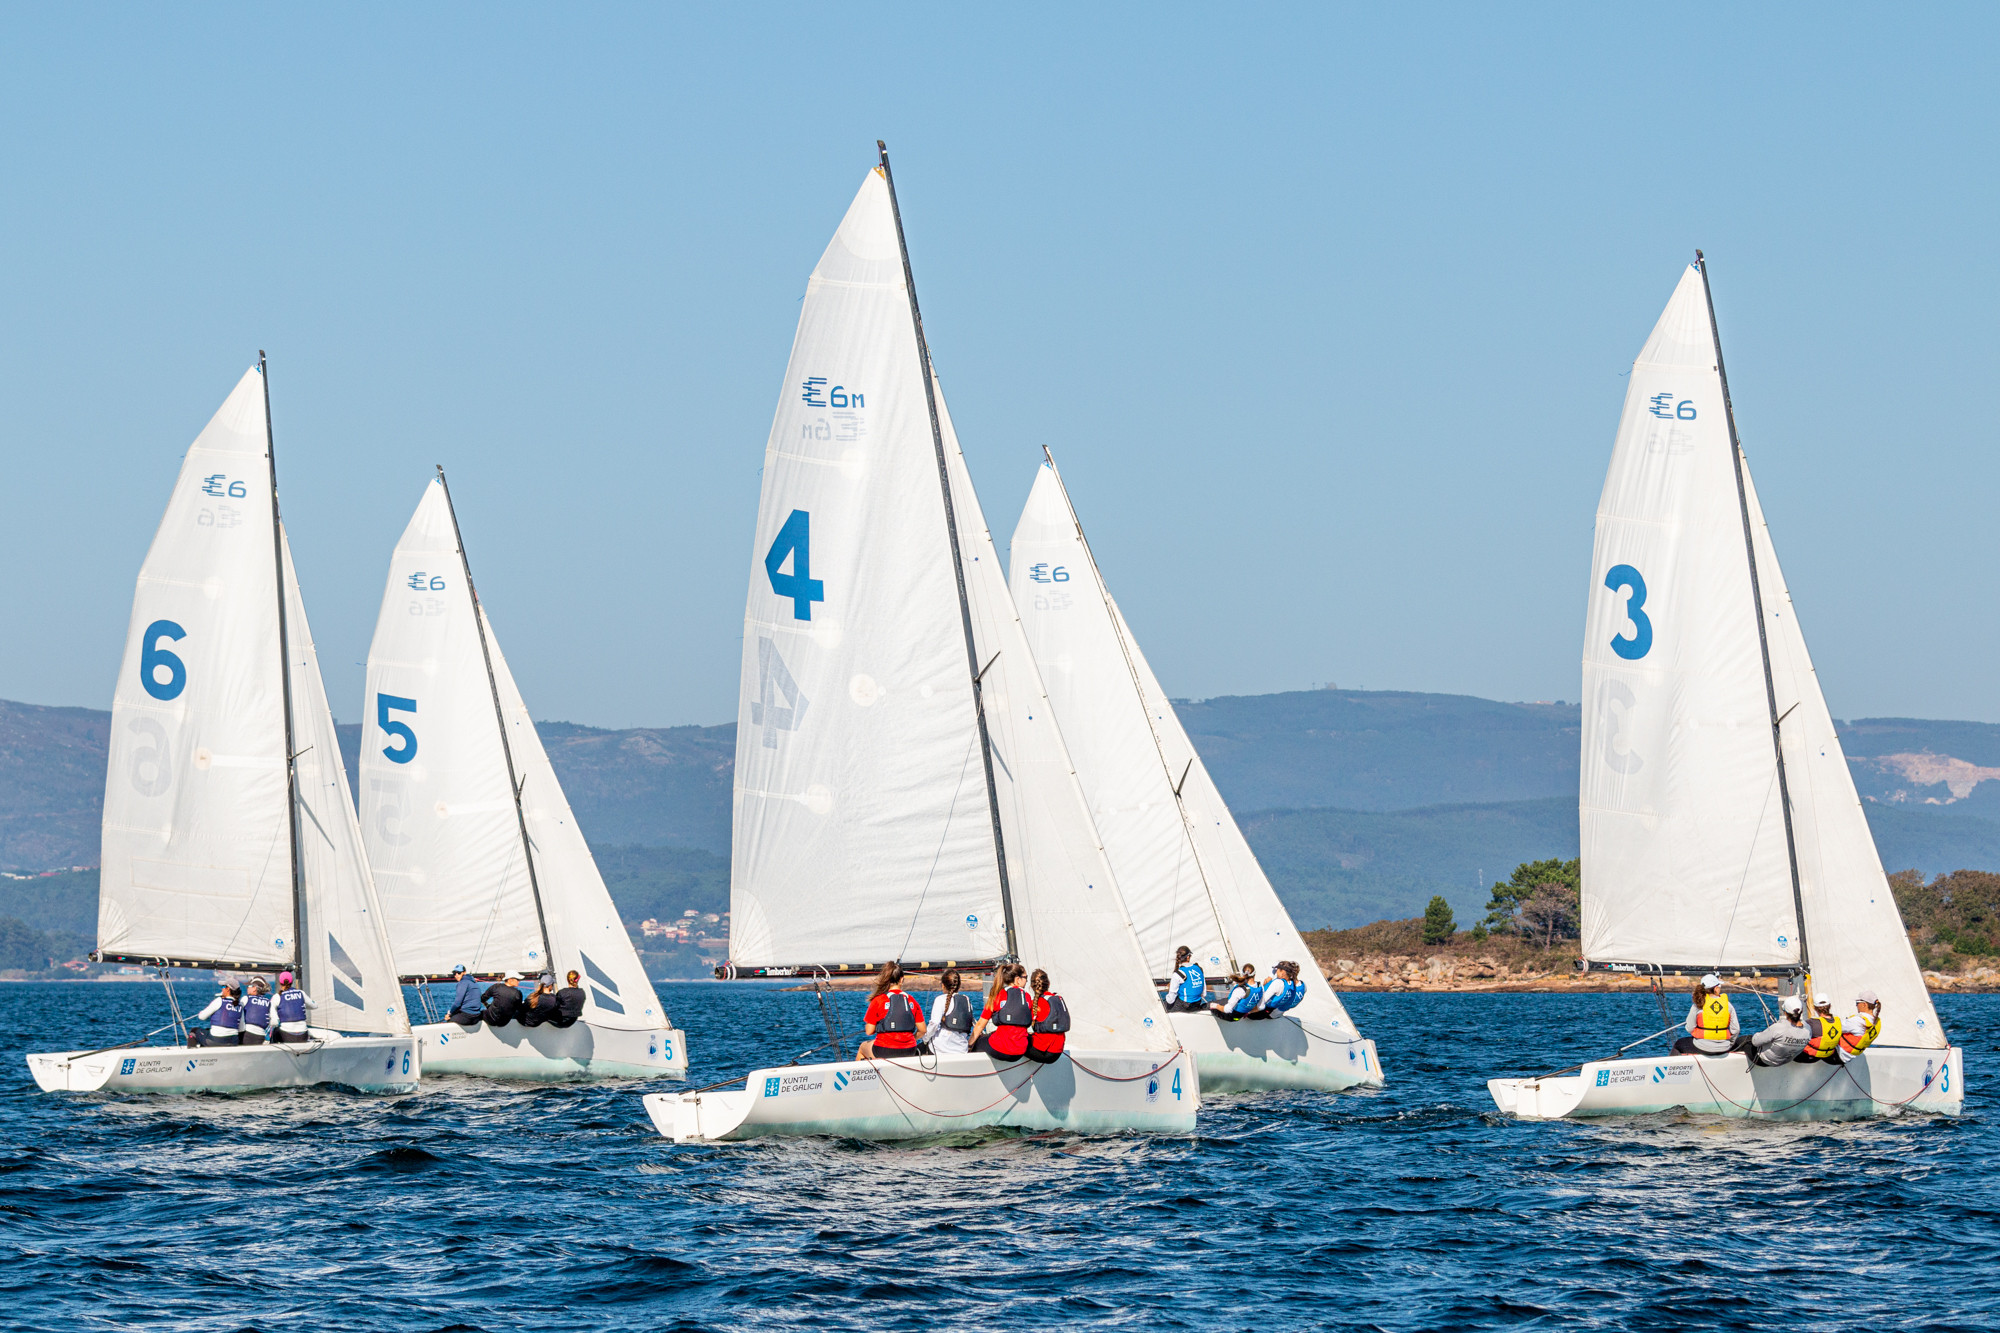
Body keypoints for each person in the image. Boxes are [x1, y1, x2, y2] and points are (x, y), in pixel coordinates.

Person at [1672, 973, 1750, 1056]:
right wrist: (1729, 1044)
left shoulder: (1698, 1004)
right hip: (1724, 1047)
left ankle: (1671, 1068)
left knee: (1679, 1044)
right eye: (1719, 986)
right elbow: (1736, 1030)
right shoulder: (1728, 1005)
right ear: (1716, 989)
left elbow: (1689, 1028)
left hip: (1702, 1046)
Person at [858, 963, 924, 1059]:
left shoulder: (878, 1000)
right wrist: (909, 1039)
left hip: (884, 1050)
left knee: (862, 1048)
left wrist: (881, 1026)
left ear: (886, 979)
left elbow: (869, 1031)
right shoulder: (912, 1000)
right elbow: (922, 1030)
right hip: (910, 1050)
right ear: (902, 979)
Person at [970, 963, 1033, 1062]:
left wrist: (969, 1046)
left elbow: (980, 1025)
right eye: (1025, 977)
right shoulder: (1027, 997)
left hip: (1001, 1049)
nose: (1027, 980)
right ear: (1017, 979)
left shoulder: (998, 995)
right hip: (1020, 1051)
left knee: (978, 1042)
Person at [1748, 995, 1811, 1066]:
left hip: (1765, 1061)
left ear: (1785, 1012)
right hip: (1786, 1061)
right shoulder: (1808, 1029)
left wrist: (1758, 1034)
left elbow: (1755, 1042)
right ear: (1801, 1011)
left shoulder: (1778, 1028)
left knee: (1745, 1040)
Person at [925, 968, 975, 1056]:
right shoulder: (967, 1000)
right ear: (959, 985)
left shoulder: (940, 999)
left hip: (940, 1049)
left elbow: (934, 1023)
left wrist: (925, 1039)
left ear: (943, 985)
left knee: (921, 1047)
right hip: (961, 1049)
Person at [1025, 968, 1069, 1064]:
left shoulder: (1034, 1004)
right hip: (1057, 1052)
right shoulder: (1057, 999)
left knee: (1013, 1043)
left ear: (1032, 986)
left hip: (1043, 1052)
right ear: (1048, 984)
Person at [189, 982, 243, 1046]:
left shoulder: (219, 1000)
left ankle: (191, 1055)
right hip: (233, 1041)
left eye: (223, 987)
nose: (222, 989)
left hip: (217, 1040)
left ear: (228, 989)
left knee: (194, 1031)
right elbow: (241, 1028)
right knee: (207, 1031)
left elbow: (201, 1017)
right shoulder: (240, 1005)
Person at [1837, 989, 1883, 1062]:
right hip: (1852, 1055)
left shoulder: (1858, 1021)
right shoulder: (1876, 1022)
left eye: (1857, 1003)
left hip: (1839, 1054)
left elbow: (1834, 1027)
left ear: (1864, 1004)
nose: (1856, 1005)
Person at [1796, 992, 1842, 1063]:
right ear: (1830, 1006)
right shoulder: (1838, 1021)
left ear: (1814, 1008)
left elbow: (1795, 1031)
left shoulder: (1812, 1022)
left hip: (1811, 1057)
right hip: (1828, 1055)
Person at [271, 971, 315, 1043]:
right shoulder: (301, 993)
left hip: (286, 1035)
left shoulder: (277, 996)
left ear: (280, 982)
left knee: (275, 1030)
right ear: (292, 981)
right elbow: (314, 1006)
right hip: (303, 1035)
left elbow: (274, 1022)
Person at [1164, 946, 1207, 1013]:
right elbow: (1204, 994)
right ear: (1188, 957)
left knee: (1162, 1006)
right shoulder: (1198, 968)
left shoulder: (1177, 974)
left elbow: (1170, 1000)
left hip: (1185, 1005)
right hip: (1197, 1003)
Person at [238, 977, 273, 1046]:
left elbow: (237, 1012)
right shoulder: (268, 1002)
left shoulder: (246, 998)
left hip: (247, 1035)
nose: (247, 988)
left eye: (249, 986)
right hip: (261, 1036)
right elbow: (273, 1021)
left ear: (254, 988)